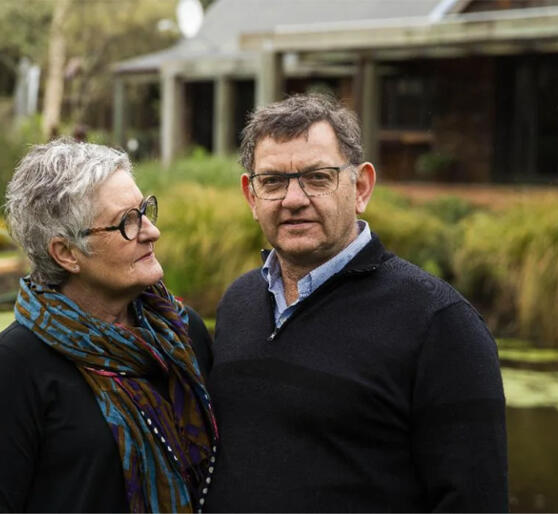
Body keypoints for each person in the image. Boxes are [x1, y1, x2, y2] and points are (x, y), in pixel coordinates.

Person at [203, 94, 507, 512]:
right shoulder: (239, 303)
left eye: (317, 177)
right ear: (251, 195)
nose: (293, 199)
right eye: (272, 181)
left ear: (361, 187)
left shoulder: (439, 324)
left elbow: (474, 501)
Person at [0, 139, 218, 513]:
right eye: (127, 222)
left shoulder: (182, 332)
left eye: (145, 211)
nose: (150, 231)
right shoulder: (15, 367)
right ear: (66, 253)